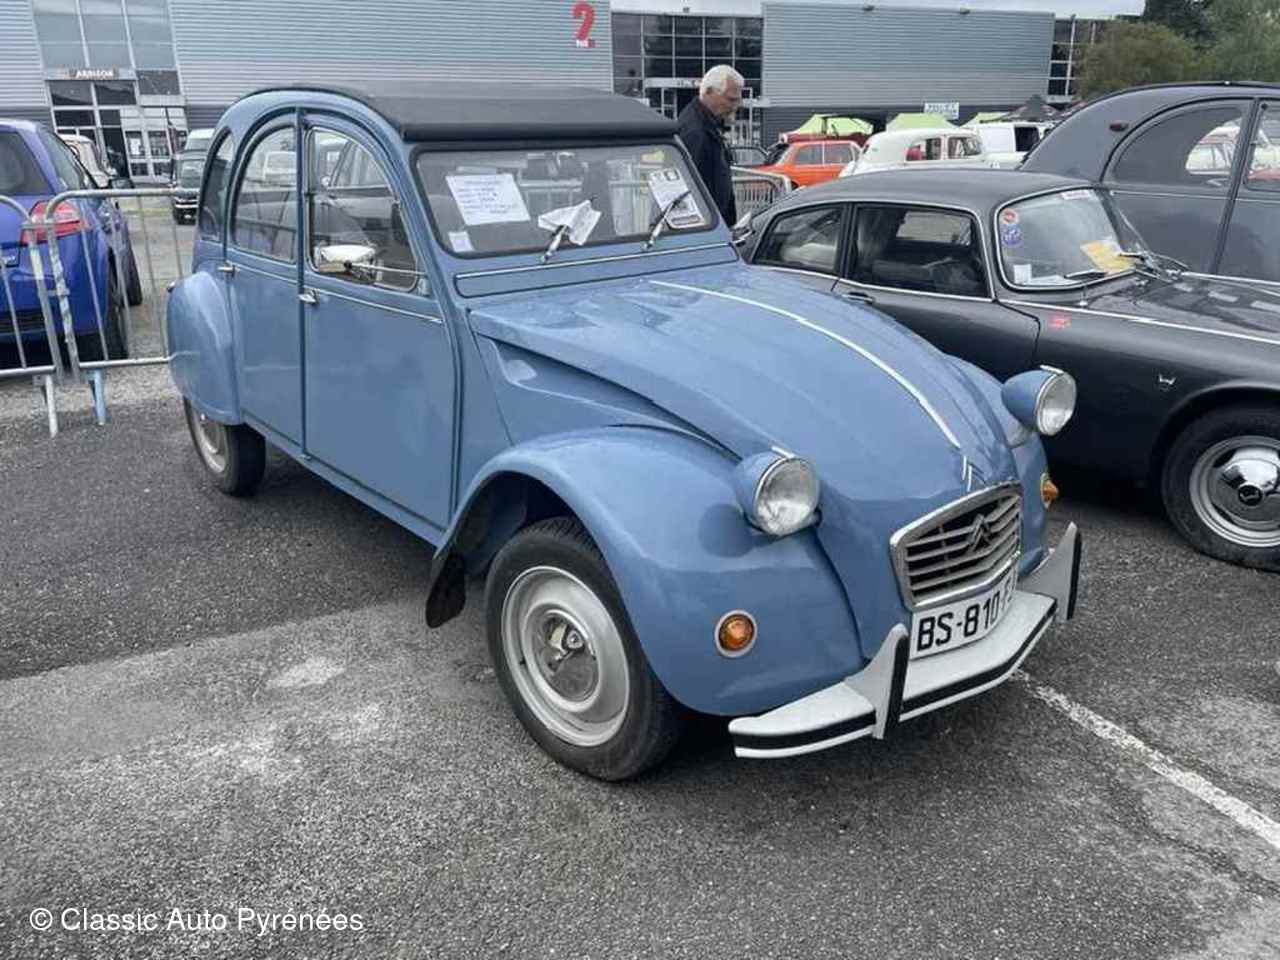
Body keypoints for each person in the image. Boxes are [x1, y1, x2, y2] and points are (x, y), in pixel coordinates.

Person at [676, 64, 743, 225]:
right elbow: (688, 191)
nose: (735, 106)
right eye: (731, 99)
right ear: (709, 92)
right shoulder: (695, 131)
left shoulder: (706, 123)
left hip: (712, 223)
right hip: (705, 226)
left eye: (738, 100)